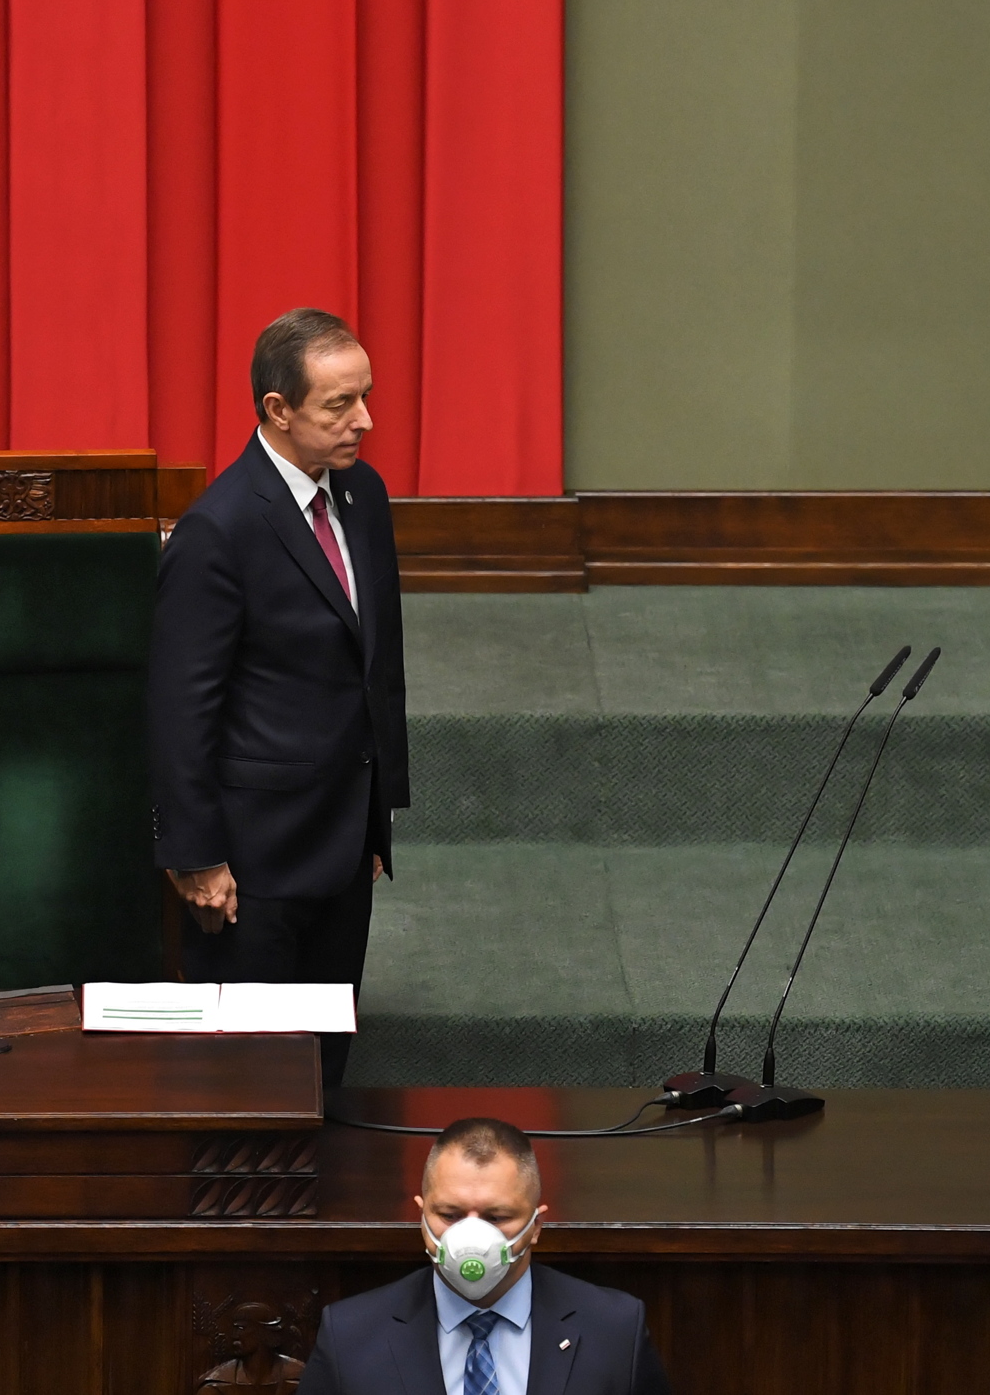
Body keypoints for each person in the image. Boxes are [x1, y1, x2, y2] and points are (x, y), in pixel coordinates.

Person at [149, 308, 408, 1087]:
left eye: (364, 396)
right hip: (251, 870)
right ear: (277, 409)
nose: (364, 419)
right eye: (339, 404)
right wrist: (196, 858)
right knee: (255, 1084)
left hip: (342, 845)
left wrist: (376, 814)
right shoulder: (218, 529)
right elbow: (178, 708)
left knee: (325, 1069)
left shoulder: (363, 496)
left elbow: (375, 662)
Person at [301, 1117, 671, 1395]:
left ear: (536, 1225)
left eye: (497, 1218)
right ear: (421, 1216)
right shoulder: (350, 1335)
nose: (472, 1237)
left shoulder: (614, 1329)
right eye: (450, 1215)